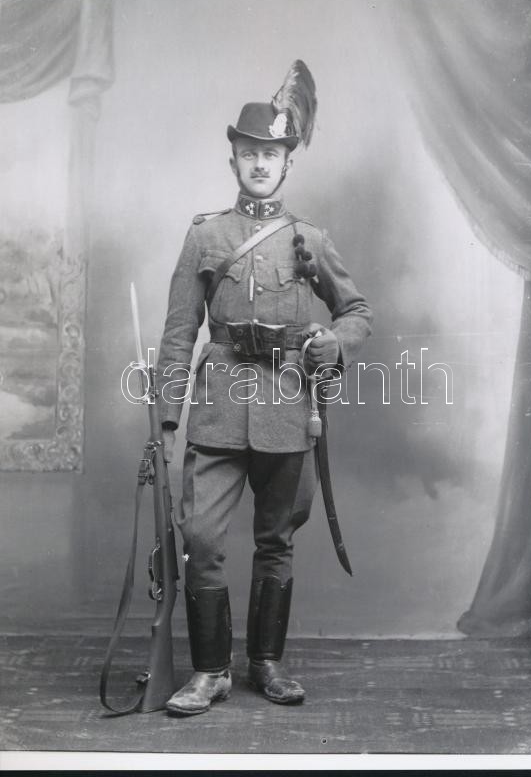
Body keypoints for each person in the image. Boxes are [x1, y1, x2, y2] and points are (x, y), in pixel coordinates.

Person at [156, 61, 372, 715]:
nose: (259, 164)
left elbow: (356, 311)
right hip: (218, 410)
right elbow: (178, 332)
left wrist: (334, 343)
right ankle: (210, 672)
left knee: (276, 542)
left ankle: (267, 664)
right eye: (249, 152)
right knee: (200, 538)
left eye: (270, 154)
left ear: (287, 164)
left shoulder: (310, 240)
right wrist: (167, 418)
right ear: (233, 161)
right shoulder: (205, 236)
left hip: (287, 407)